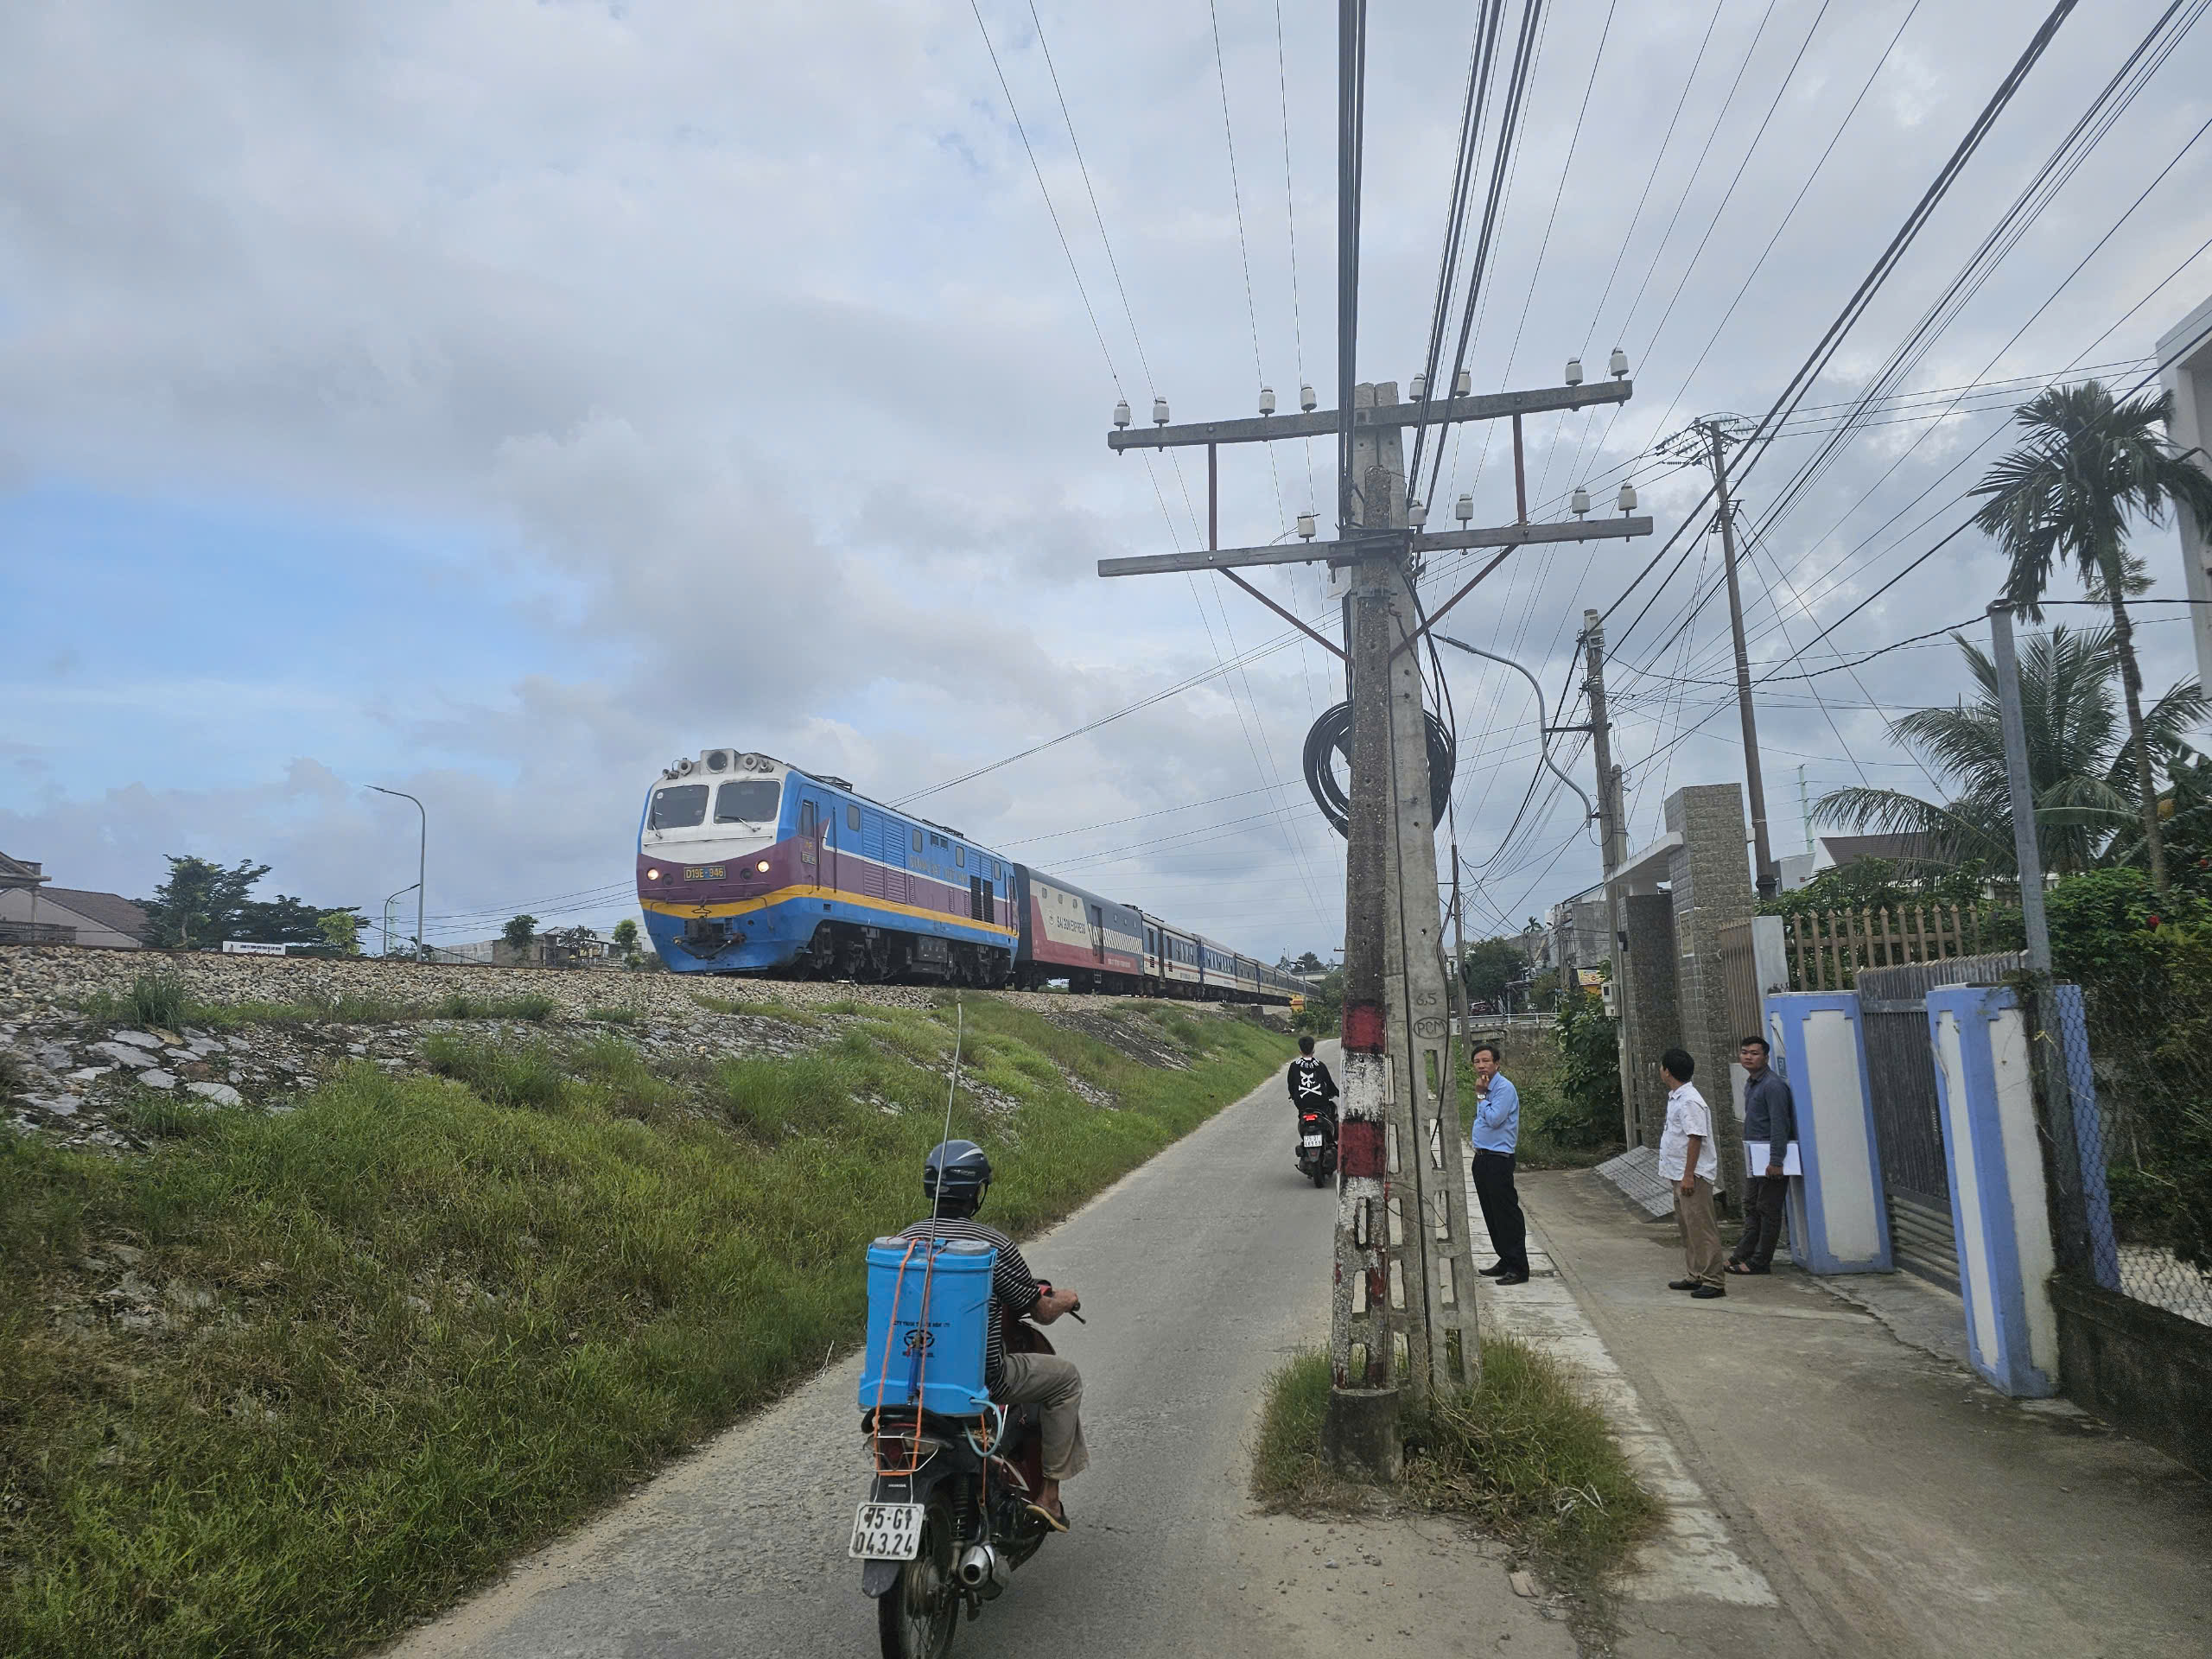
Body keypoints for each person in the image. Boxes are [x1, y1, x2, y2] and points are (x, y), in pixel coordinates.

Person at [899, 1140, 1085, 1529]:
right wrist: (1066, 1299)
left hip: (905, 1379)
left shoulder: (903, 1242)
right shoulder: (991, 1246)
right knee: (1065, 1379)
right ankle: (1049, 1498)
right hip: (980, 1379)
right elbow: (1039, 1310)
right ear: (975, 1192)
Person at [1658, 1048, 1726, 1299]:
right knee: (1688, 1227)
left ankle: (1713, 1280)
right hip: (1678, 1173)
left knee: (1702, 1227)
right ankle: (1695, 1274)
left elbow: (1695, 1138)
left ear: (1668, 1071)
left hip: (1692, 1176)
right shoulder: (1677, 1097)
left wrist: (1689, 1175)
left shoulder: (1690, 1101)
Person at [1729, 1034, 1796, 1276]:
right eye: (1745, 1052)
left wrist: (1776, 1161)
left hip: (1770, 1159)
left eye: (1754, 1053)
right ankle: (1742, 1254)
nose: (1748, 1056)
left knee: (1768, 1209)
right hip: (1754, 1157)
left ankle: (1760, 1262)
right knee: (1752, 1205)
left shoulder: (1773, 1086)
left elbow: (1780, 1124)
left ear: (1766, 1057)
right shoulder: (1751, 1083)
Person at [1468, 1042, 1529, 1286]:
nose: (1481, 1065)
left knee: (1506, 1214)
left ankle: (1518, 1267)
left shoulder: (1503, 1088)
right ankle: (1504, 1259)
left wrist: (1481, 1096)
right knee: (1491, 1214)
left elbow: (1494, 1120)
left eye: (1486, 1061)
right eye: (1477, 1061)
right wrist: (1482, 1094)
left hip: (1498, 1159)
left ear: (1497, 1063)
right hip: (1482, 1157)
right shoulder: (1484, 1086)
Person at [1287, 1034, 1338, 1142]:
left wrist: (1293, 1095)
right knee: (1332, 1110)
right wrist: (1338, 1093)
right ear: (1314, 1049)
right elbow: (1329, 1084)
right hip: (1321, 1103)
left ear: (1300, 1050)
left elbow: (1291, 1085)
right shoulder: (1320, 1065)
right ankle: (1333, 1139)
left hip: (1302, 1104)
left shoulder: (1294, 1066)